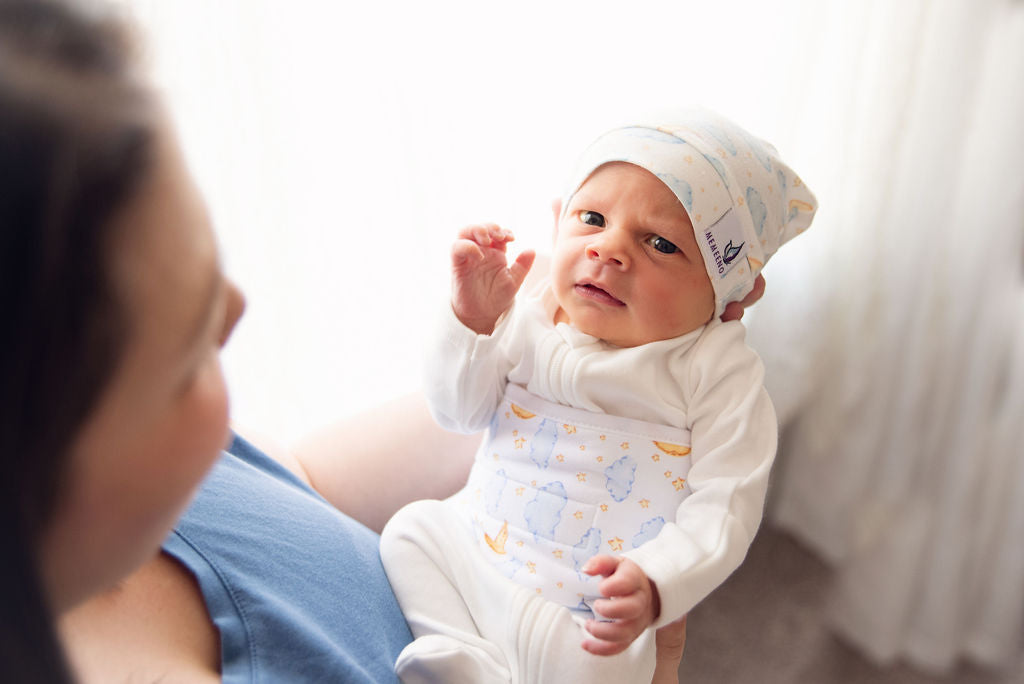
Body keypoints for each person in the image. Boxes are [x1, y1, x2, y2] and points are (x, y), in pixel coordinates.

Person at [0, 1, 706, 682]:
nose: (237, 308)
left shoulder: (183, 480)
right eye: (191, 352)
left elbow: (304, 485)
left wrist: (569, 337)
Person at [380, 111, 817, 683]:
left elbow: (726, 504)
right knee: (412, 531)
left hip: (589, 611)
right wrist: (471, 324)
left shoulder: (715, 370)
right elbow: (459, 413)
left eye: (660, 243)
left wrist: (656, 581)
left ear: (729, 291)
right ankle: (468, 656)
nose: (608, 250)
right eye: (592, 218)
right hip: (478, 553)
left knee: (608, 668)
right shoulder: (532, 312)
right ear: (557, 221)